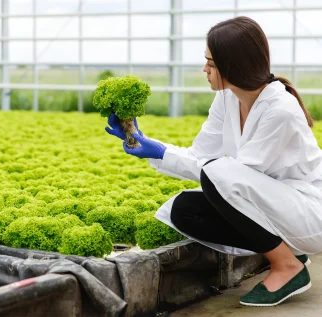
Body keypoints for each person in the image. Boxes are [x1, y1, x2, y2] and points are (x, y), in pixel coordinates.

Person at [105, 16, 322, 307]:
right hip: (272, 205)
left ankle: (288, 266)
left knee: (219, 175)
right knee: (185, 210)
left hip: (307, 212)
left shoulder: (280, 110)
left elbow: (233, 176)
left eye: (211, 63)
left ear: (233, 65)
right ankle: (288, 252)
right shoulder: (227, 99)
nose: (204, 69)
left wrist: (162, 153)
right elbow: (201, 156)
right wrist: (153, 147)